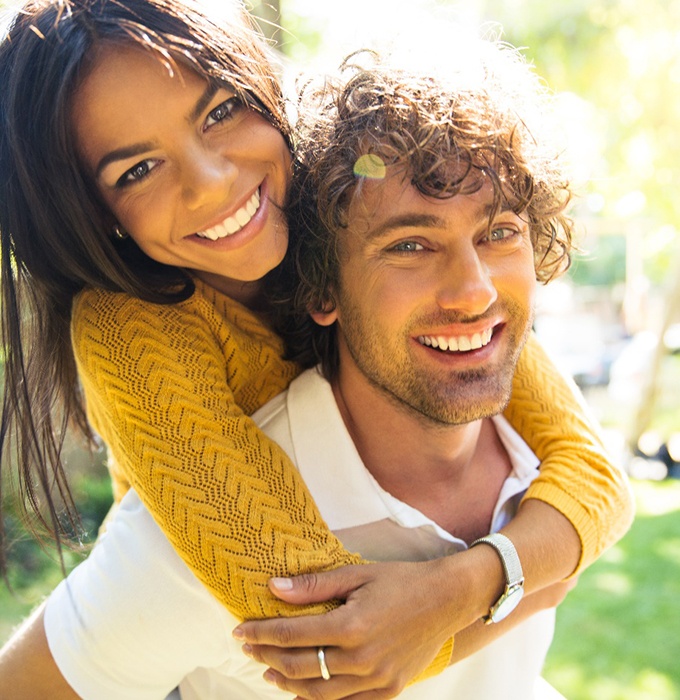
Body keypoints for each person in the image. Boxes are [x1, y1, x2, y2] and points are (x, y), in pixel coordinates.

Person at [0, 0, 632, 694]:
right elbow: (337, 637)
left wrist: (471, 584)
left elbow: (594, 476)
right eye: (137, 170)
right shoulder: (131, 333)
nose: (213, 182)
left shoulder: (344, 198)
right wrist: (536, 574)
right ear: (94, 217)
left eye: (219, 112)